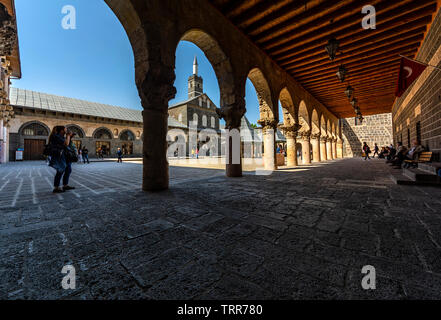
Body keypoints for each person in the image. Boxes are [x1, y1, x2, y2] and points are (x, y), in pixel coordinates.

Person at [48, 126, 76, 193]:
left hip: (65, 155)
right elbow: (66, 144)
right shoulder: (56, 136)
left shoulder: (61, 136)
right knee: (60, 170)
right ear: (61, 130)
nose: (67, 130)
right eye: (65, 129)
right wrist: (68, 135)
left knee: (68, 169)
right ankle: (56, 187)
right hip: (59, 155)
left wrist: (70, 136)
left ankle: (65, 185)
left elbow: (66, 143)